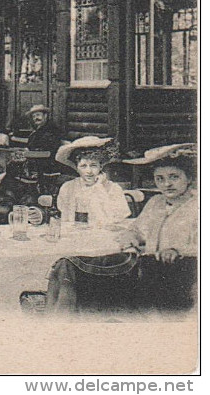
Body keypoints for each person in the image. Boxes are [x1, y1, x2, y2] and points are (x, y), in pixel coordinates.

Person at [46, 144, 197, 315]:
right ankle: (58, 321)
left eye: (174, 177)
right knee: (68, 266)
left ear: (189, 177)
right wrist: (131, 240)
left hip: (179, 277)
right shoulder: (156, 202)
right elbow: (135, 230)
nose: (167, 184)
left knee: (90, 288)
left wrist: (178, 250)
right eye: (160, 179)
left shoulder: (197, 206)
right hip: (145, 270)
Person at [54, 137, 130, 227]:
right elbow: (64, 215)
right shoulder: (68, 187)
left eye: (93, 165)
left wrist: (100, 189)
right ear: (77, 168)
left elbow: (119, 218)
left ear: (101, 166)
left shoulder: (113, 189)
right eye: (83, 166)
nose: (89, 171)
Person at [24, 104, 69, 195]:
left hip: (49, 165)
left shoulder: (51, 130)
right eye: (34, 116)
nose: (36, 118)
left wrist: (31, 153)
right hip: (38, 163)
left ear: (45, 116)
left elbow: (49, 149)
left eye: (38, 115)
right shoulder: (36, 131)